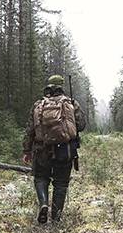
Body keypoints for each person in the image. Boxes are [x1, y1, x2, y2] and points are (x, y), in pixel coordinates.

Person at [22, 75, 86, 224]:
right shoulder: (71, 103)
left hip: (41, 149)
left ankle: (43, 203)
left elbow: (30, 130)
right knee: (61, 183)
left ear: (49, 86)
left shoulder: (38, 104)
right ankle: (56, 218)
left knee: (40, 178)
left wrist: (26, 151)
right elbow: (81, 125)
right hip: (65, 150)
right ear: (61, 87)